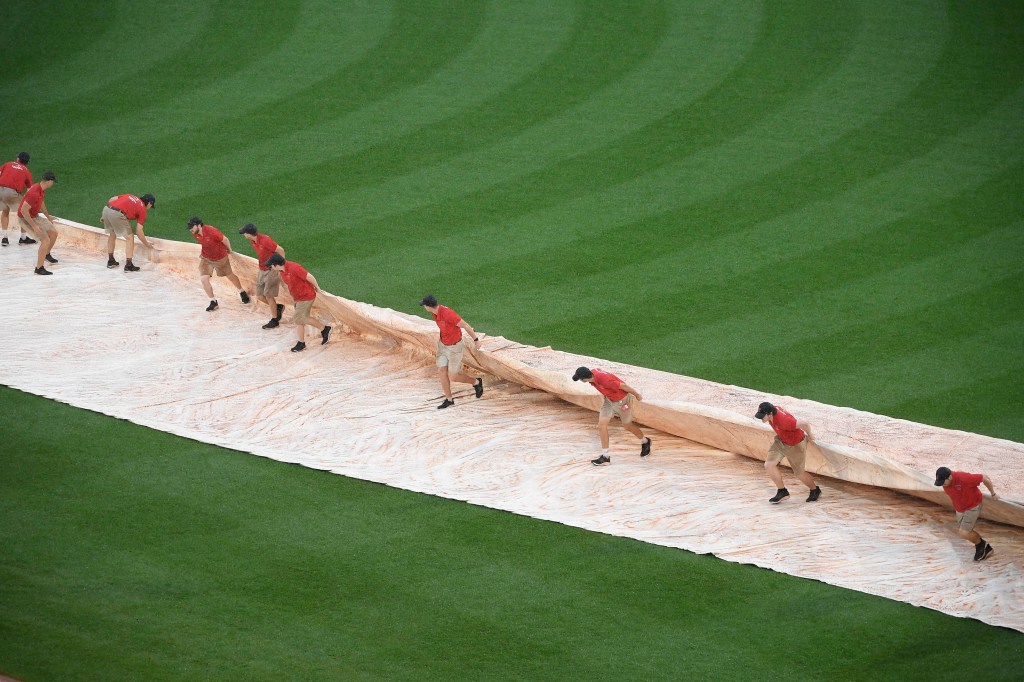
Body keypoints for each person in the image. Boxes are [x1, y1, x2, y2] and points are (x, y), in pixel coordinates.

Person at [572, 367, 651, 466]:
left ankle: (645, 441)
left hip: (623, 401)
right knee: (601, 426)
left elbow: (623, 386)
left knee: (627, 426)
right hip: (609, 401)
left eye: (580, 379)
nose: (580, 380)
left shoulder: (604, 380)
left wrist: (637, 395)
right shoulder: (592, 376)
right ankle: (605, 456)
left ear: (584, 379)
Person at [419, 294, 483, 409]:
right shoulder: (435, 313)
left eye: (424, 305)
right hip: (443, 346)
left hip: (455, 348)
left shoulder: (448, 314)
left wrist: (476, 340)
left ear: (428, 306)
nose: (424, 308)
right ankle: (449, 399)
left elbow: (465, 325)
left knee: (453, 376)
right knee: (442, 371)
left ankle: (476, 382)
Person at [754, 402, 821, 503]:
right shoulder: (772, 410)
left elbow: (804, 424)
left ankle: (815, 490)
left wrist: (810, 435)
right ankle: (782, 491)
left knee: (799, 473)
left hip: (796, 444)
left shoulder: (785, 421)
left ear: (770, 414)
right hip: (782, 441)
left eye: (763, 416)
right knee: (769, 465)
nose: (761, 418)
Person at [265, 254, 331, 352]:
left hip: (306, 296)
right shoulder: (282, 271)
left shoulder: (294, 267)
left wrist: (317, 287)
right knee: (301, 319)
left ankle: (302, 342)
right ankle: (324, 329)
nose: (270, 267)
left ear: (276, 265)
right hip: (297, 297)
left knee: (299, 319)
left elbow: (309, 276)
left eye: (271, 265)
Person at [934, 467, 998, 561]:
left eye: (943, 482)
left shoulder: (964, 478)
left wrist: (993, 493)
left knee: (964, 532)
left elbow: (984, 478)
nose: (942, 485)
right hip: (960, 508)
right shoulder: (947, 481)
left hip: (973, 506)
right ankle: (982, 545)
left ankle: (983, 547)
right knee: (964, 532)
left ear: (950, 477)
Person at [187, 216, 250, 311]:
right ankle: (213, 301)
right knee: (204, 279)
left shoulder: (211, 231)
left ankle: (241, 291)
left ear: (199, 225)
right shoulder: (195, 234)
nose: (191, 229)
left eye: (192, 227)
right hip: (206, 258)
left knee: (230, 276)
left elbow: (225, 239)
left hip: (220, 258)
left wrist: (229, 249)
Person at [239, 224, 285, 328]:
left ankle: (274, 320)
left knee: (269, 295)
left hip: (271, 270)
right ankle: (278, 307)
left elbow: (280, 250)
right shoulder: (253, 241)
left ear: (249, 234)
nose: (244, 235)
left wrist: (280, 266)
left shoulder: (265, 240)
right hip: (262, 269)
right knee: (260, 296)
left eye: (245, 233)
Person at [17, 171, 59, 275]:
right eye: (53, 182)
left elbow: (41, 203)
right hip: (25, 218)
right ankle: (39, 268)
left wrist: (48, 217)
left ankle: (46, 254)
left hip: (34, 216)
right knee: (45, 240)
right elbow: (23, 210)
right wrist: (34, 226)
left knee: (53, 233)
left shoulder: (41, 189)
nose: (53, 184)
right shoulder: (34, 193)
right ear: (49, 181)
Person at [102, 193, 156, 272]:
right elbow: (139, 231)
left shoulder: (131, 196)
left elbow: (112, 199)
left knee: (112, 234)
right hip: (117, 214)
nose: (150, 207)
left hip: (106, 210)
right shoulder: (142, 209)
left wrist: (107, 215)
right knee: (130, 237)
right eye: (151, 205)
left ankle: (111, 261)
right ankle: (128, 265)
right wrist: (146, 244)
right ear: (149, 203)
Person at [0, 152, 33, 246]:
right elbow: (30, 190)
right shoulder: (26, 171)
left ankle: (5, 238)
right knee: (24, 213)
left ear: (18, 159)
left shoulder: (8, 164)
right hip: (11, 193)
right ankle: (23, 238)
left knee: (5, 211)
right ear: (27, 162)